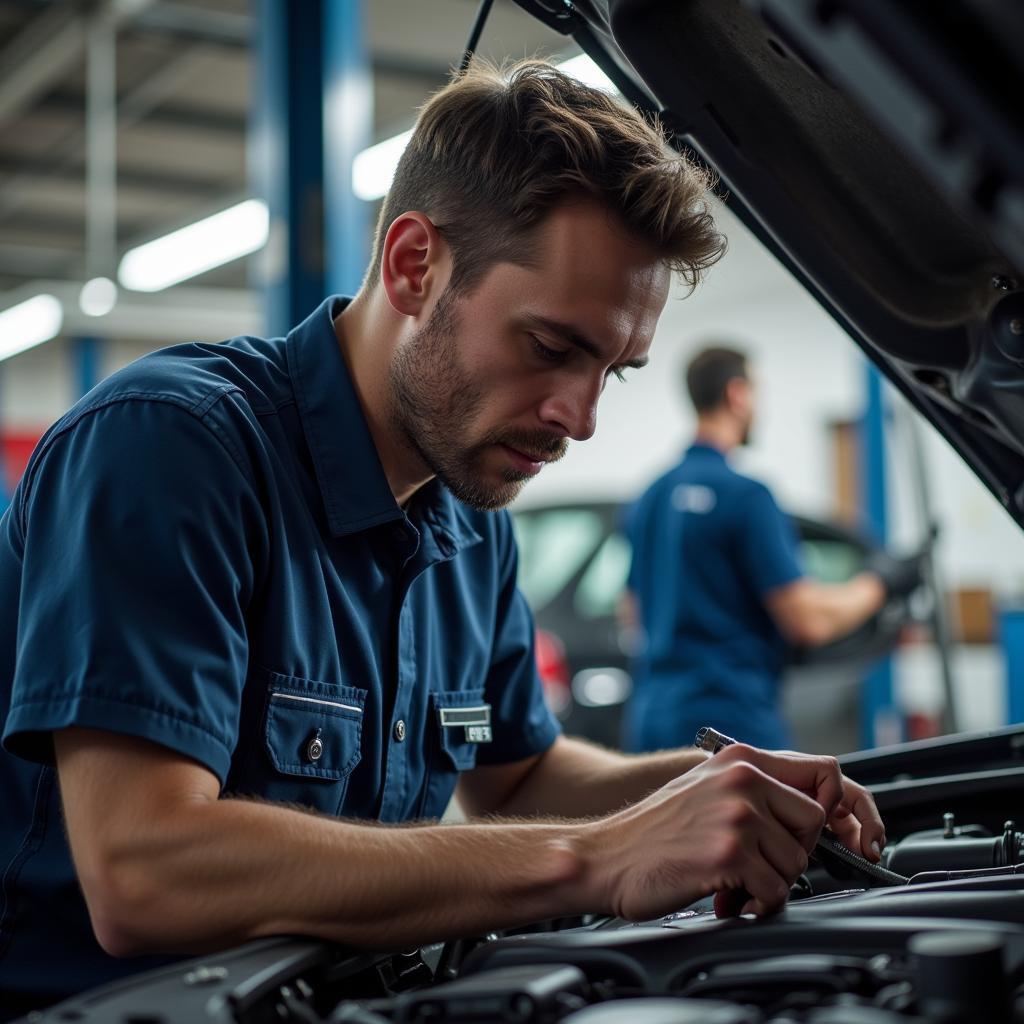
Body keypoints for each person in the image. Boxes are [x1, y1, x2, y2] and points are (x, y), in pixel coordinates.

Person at [0, 63, 887, 1017]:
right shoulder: (170, 447)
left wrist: (712, 788)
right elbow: (145, 873)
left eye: (613, 372)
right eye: (552, 347)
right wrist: (598, 857)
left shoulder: (469, 507)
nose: (579, 419)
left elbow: (522, 776)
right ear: (414, 264)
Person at [622, 345, 924, 753]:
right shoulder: (747, 496)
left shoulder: (650, 495)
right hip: (730, 724)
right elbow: (808, 621)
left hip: (652, 721)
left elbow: (631, 611)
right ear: (737, 394)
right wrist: (882, 584)